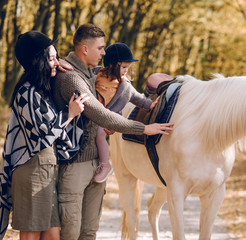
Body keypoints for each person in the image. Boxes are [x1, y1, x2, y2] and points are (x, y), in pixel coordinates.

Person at [52, 24, 173, 240]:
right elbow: (101, 115)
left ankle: (104, 164)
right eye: (100, 48)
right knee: (70, 230)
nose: (104, 53)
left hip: (94, 161)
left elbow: (131, 94)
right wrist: (144, 128)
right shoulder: (72, 77)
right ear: (84, 49)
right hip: (75, 162)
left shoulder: (92, 73)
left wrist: (148, 104)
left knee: (89, 231)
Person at [0, 31, 88, 240]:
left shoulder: (41, 89)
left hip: (47, 171)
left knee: (52, 235)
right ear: (37, 61)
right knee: (32, 233)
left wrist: (67, 69)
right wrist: (70, 114)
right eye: (51, 58)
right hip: (31, 170)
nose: (56, 62)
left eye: (56, 57)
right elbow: (45, 134)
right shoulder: (26, 93)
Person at [93, 42, 158, 183]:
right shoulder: (96, 74)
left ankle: (105, 164)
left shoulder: (125, 86)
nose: (126, 71)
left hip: (107, 119)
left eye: (127, 68)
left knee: (99, 133)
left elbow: (137, 98)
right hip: (91, 113)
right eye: (123, 67)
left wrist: (150, 104)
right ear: (111, 65)